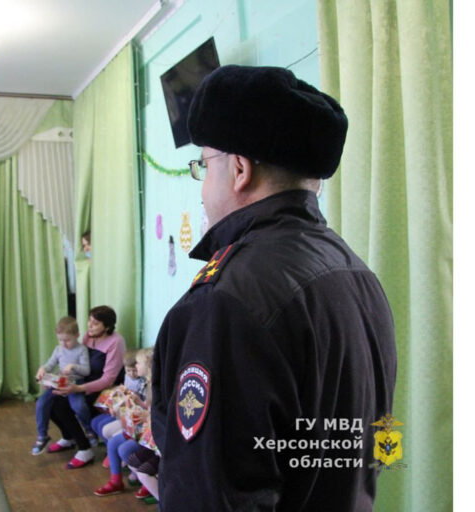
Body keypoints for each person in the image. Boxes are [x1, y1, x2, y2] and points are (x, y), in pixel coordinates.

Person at [151, 65, 397, 511]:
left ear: (240, 169)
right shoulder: (359, 275)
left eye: (203, 166)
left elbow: (208, 497)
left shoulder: (226, 299)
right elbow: (379, 446)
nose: (203, 188)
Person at [47, 305, 126, 469]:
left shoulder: (116, 342)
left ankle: (85, 449)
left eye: (95, 323)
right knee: (50, 400)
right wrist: (64, 378)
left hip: (102, 389)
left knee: (60, 405)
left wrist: (77, 389)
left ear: (107, 326)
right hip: (83, 382)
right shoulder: (88, 337)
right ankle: (69, 437)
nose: (90, 326)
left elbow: (108, 380)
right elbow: (78, 363)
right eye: (89, 321)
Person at [93, 347, 153, 497]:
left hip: (149, 432)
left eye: (138, 364)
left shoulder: (153, 385)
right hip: (140, 426)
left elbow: (155, 413)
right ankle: (116, 481)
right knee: (113, 443)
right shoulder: (149, 383)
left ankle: (147, 481)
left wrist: (145, 414)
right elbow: (148, 406)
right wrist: (136, 402)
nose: (136, 367)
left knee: (123, 449)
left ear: (149, 366)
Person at [31, 317, 90, 455]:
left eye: (67, 340)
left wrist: (74, 366)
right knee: (41, 403)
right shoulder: (59, 349)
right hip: (60, 383)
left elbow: (86, 370)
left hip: (76, 383)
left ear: (77, 335)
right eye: (60, 340)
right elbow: (50, 364)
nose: (64, 344)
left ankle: (88, 429)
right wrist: (43, 369)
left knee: (78, 406)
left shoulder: (82, 350)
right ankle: (42, 435)